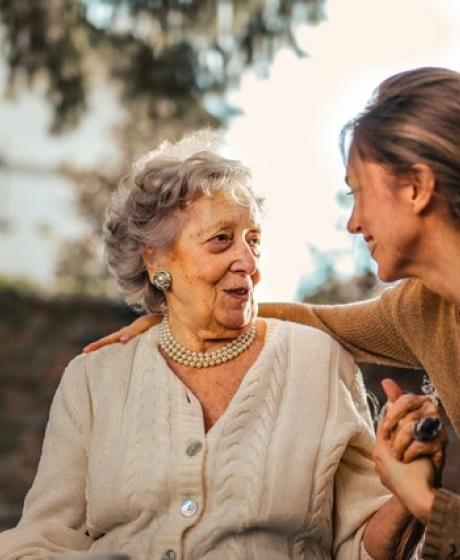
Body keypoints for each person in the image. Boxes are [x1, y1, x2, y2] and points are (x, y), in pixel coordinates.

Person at [87, 67, 460, 558]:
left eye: (358, 192)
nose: (353, 222)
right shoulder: (421, 310)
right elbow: (316, 322)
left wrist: (420, 499)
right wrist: (180, 313)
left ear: (416, 187)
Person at [0, 131, 424, 559]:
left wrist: (409, 497)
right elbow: (42, 542)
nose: (249, 262)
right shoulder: (93, 379)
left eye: (253, 240)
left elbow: (360, 547)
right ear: (155, 260)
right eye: (221, 239)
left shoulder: (319, 362)